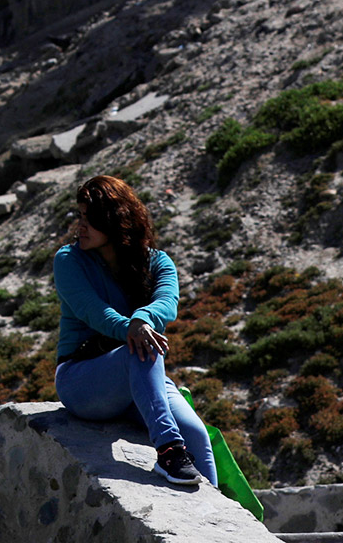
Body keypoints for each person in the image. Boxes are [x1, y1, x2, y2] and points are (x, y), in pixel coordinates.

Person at [53, 175, 218, 488]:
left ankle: (220, 513)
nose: (80, 226)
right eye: (80, 216)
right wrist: (133, 328)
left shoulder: (157, 262)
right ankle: (169, 451)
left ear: (115, 221)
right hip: (81, 379)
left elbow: (167, 303)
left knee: (197, 434)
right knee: (140, 348)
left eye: (90, 219)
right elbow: (93, 312)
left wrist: (143, 319)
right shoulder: (69, 260)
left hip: (138, 375)